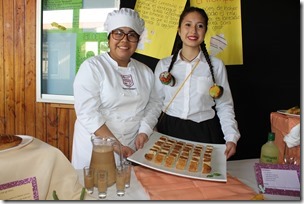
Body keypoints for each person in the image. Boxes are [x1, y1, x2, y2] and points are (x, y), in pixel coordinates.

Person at [72, 8, 161, 169]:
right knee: (94, 190)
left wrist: (145, 131)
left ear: (138, 41)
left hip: (133, 146)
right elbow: (87, 113)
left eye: (131, 35)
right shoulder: (92, 67)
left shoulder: (146, 72)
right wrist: (116, 146)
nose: (124, 40)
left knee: (128, 190)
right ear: (109, 38)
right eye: (118, 33)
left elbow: (154, 104)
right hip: (96, 147)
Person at [154, 7, 240, 159]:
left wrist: (231, 137)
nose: (193, 30)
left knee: (203, 179)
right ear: (179, 30)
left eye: (199, 26)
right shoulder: (164, 65)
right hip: (168, 131)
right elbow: (155, 102)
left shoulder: (216, 65)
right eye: (188, 25)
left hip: (204, 133)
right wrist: (145, 131)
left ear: (205, 31)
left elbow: (224, 105)